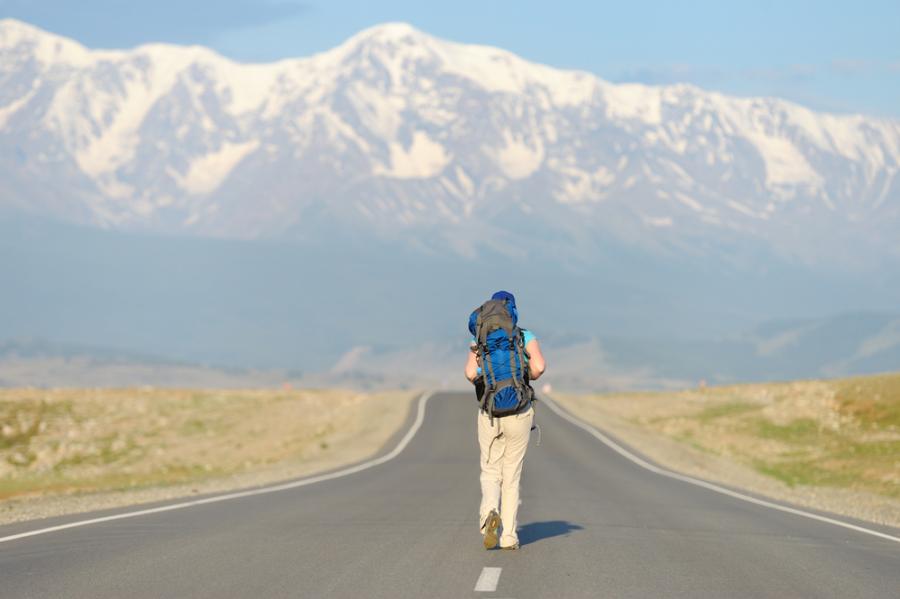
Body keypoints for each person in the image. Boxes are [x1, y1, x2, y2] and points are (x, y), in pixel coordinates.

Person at [465, 291, 546, 550]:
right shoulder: (524, 336)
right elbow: (539, 368)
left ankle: (490, 513)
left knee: (490, 469)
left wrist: (487, 374)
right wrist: (521, 373)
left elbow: (470, 373)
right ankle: (509, 535)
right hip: (519, 411)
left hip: (489, 411)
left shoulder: (480, 338)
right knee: (511, 475)